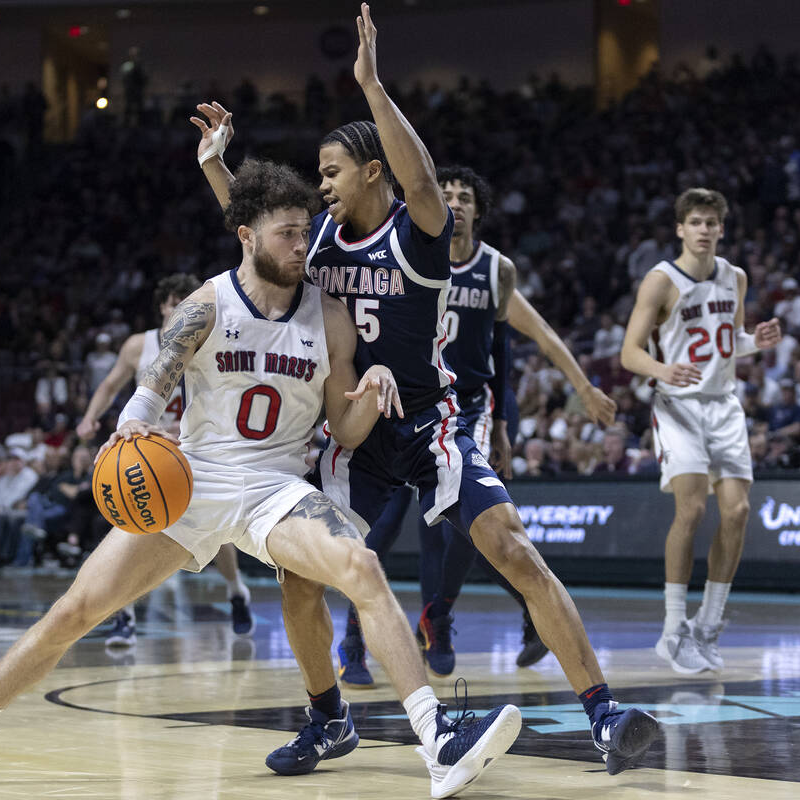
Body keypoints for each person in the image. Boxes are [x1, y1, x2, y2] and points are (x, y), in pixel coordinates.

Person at [0, 159, 523, 800]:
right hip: (193, 484)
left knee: (362, 570)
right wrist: (133, 420)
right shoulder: (207, 301)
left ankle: (438, 741)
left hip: (276, 489)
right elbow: (155, 379)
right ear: (246, 236)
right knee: (75, 610)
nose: (301, 246)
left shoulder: (328, 315)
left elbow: (345, 431)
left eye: (304, 232)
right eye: (286, 234)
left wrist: (369, 394)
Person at [194, 3, 657, 776]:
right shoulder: (316, 242)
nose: (321, 187)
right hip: (355, 432)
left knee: (513, 548)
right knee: (300, 583)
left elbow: (415, 171)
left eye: (333, 173)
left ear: (372, 174)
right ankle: (327, 719)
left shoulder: (418, 233)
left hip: (431, 424)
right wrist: (216, 166)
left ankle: (603, 714)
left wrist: (372, 85)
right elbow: (261, 235)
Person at [331, 165, 618, 685]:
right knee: (381, 529)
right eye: (447, 195)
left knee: (465, 527)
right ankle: (354, 638)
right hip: (396, 403)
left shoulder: (494, 268)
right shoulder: (408, 251)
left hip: (466, 407)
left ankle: (437, 614)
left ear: (479, 209)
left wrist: (535, 408)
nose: (455, 203)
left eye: (465, 195)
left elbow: (508, 342)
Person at [620, 187, 782, 674]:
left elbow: (726, 344)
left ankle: (707, 625)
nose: (705, 230)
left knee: (737, 511)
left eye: (712, 222)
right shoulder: (660, 281)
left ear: (722, 228)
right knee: (691, 508)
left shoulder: (735, 276)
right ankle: (673, 630)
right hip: (678, 406)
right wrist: (663, 371)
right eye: (696, 222)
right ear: (680, 229)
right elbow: (629, 353)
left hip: (723, 405)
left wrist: (756, 341)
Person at [77, 272, 255, 640]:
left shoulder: (208, 336)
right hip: (147, 445)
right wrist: (90, 417)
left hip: (192, 445)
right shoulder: (137, 346)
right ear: (162, 306)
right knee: (129, 519)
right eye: (174, 302)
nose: (180, 308)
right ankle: (122, 614)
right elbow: (111, 384)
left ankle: (237, 589)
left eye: (185, 301)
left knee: (217, 532)